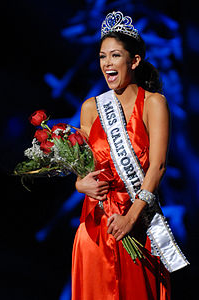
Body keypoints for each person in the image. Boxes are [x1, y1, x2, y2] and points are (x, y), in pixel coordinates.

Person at [71, 11, 189, 300]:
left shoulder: (153, 103)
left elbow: (158, 166)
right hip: (96, 226)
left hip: (136, 223)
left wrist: (131, 218)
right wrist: (79, 184)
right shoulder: (91, 108)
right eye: (102, 57)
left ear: (134, 61)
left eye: (114, 56)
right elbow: (83, 168)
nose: (107, 63)